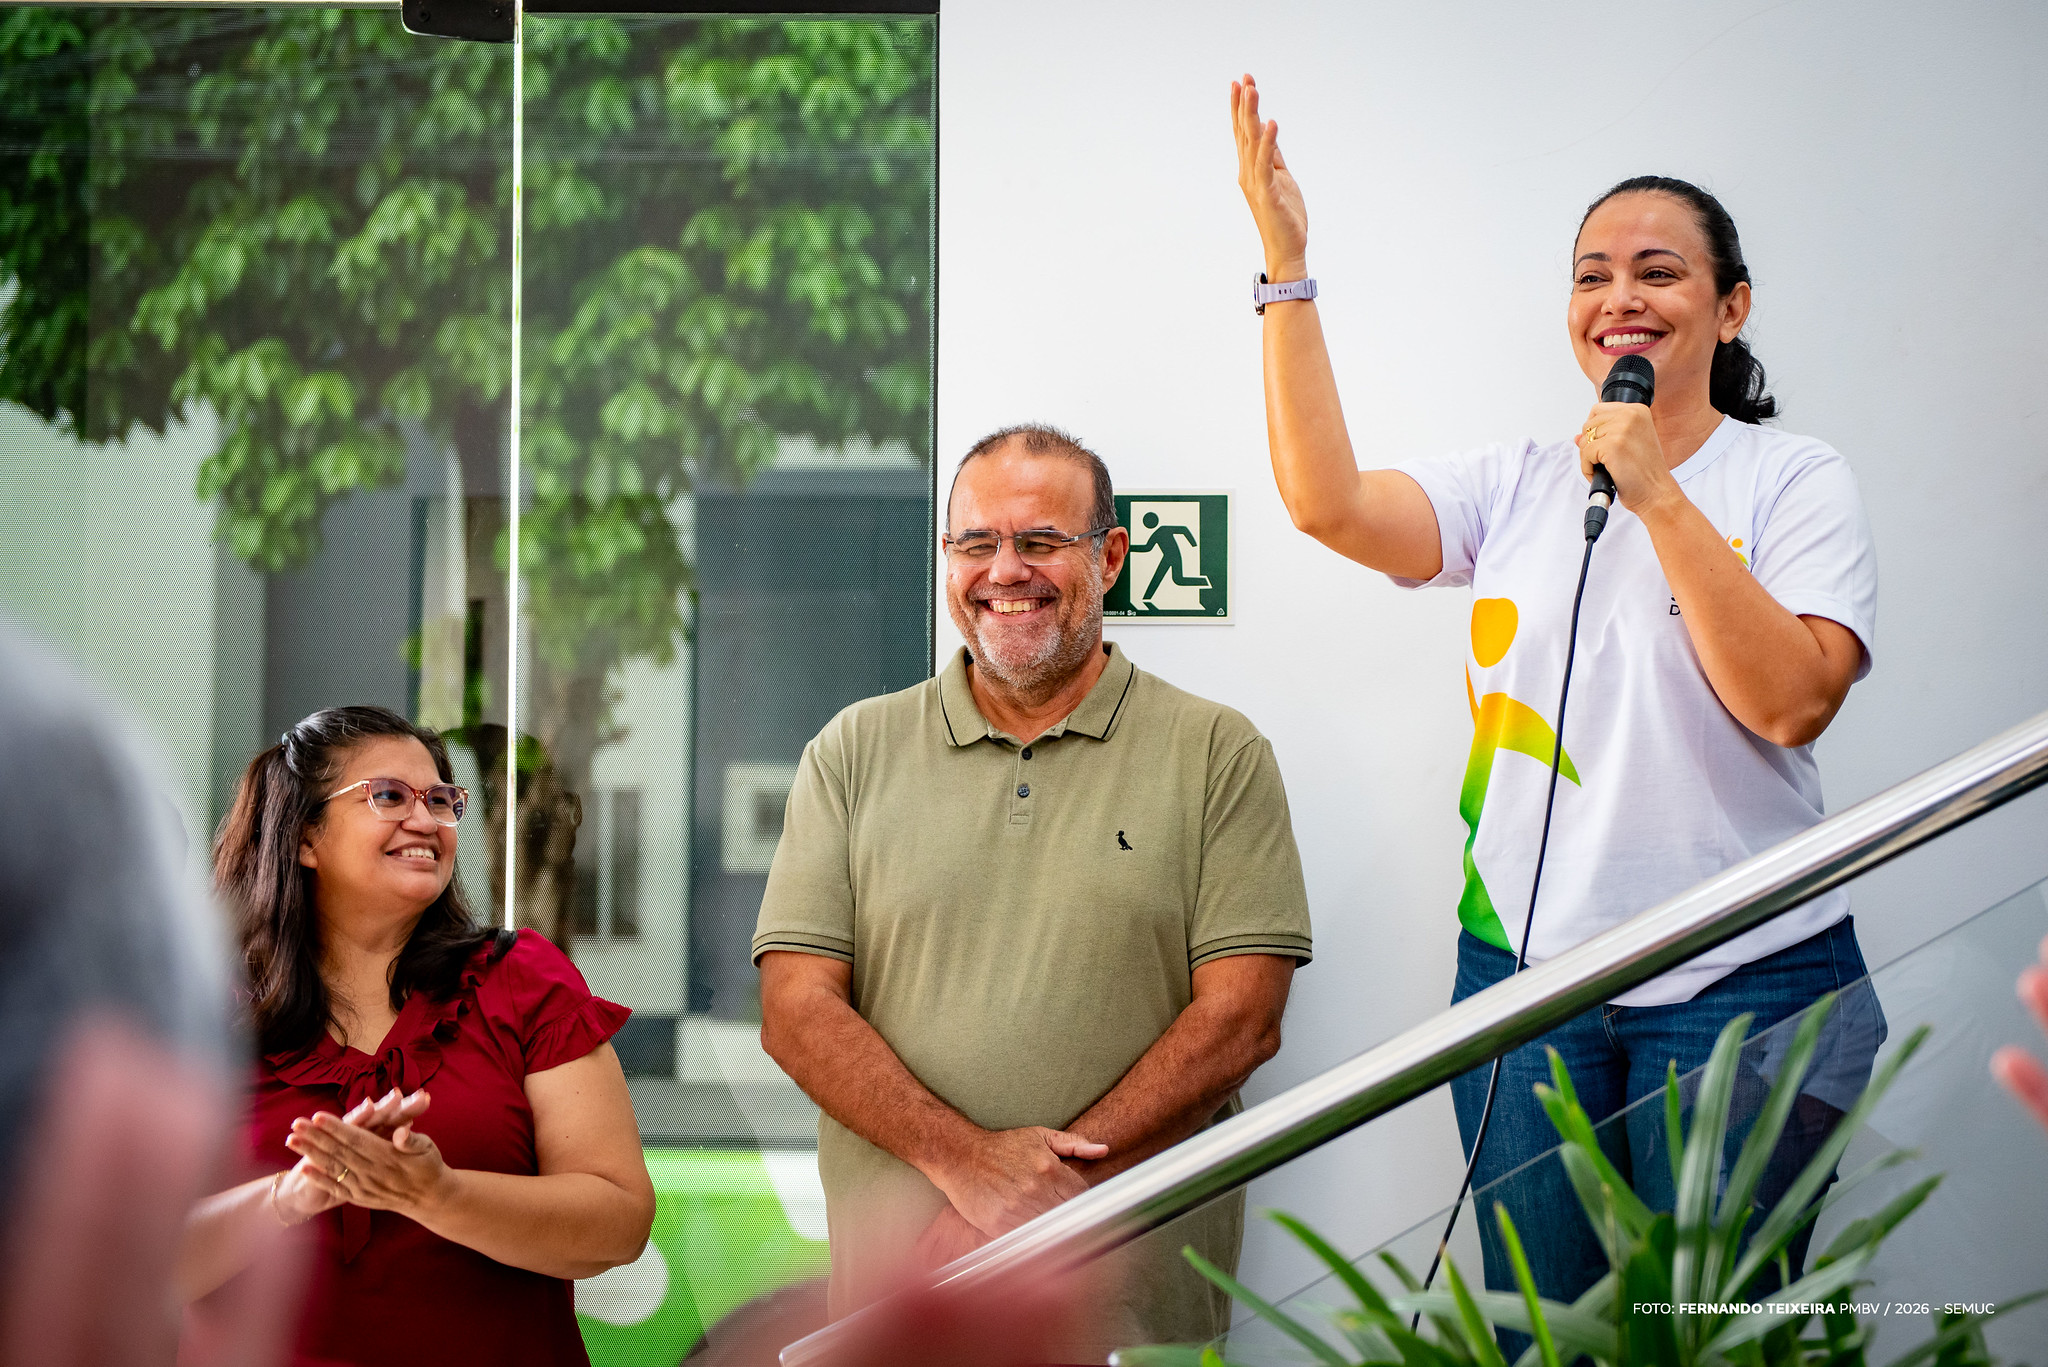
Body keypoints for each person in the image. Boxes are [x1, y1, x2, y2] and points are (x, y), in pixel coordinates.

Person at [1229, 76, 1886, 1309]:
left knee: (1713, 1335)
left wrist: (1656, 493)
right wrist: (1286, 269)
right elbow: (1327, 503)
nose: (1617, 299)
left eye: (1656, 271)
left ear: (1729, 307)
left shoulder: (1791, 480)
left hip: (1740, 983)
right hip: (1522, 984)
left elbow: (1791, 703)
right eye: (1590, 275)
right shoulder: (1518, 483)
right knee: (1547, 1332)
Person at [753, 425, 1314, 1361]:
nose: (1004, 570)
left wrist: (1031, 1199)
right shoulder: (851, 751)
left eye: (1040, 540)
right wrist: (970, 1167)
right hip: (899, 1312)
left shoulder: (1218, 752)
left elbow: (1243, 1019)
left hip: (1133, 1319)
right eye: (976, 543)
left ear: (1111, 555)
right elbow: (794, 1009)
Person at [179, 705, 656, 1366]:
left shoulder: (523, 980)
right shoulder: (200, 1008)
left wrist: (437, 1194)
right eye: (389, 796)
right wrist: (289, 1195)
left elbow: (618, 1223)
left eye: (441, 799)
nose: (427, 820)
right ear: (303, 837)